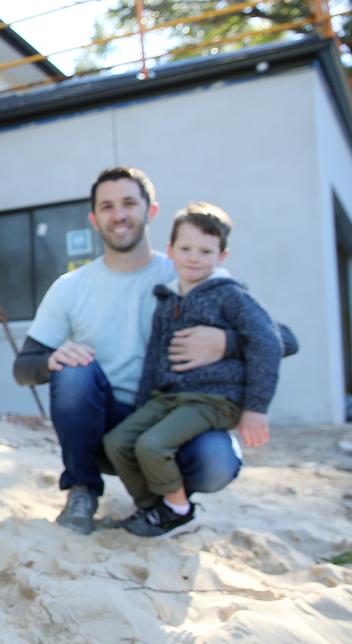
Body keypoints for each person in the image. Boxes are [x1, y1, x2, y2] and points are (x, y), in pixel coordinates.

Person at [12, 167, 297, 535]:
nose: (119, 215)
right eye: (107, 206)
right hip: (103, 422)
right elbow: (23, 368)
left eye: (129, 203)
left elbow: (281, 337)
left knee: (216, 462)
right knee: (73, 371)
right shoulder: (71, 287)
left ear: (151, 212)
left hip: (174, 413)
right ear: (94, 219)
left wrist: (224, 342)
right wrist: (50, 361)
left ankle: (167, 505)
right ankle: (82, 490)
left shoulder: (189, 270)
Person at [103, 202, 281, 536]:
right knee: (118, 441)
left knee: (152, 445)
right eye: (186, 248)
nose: (194, 257)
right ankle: (154, 508)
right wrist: (144, 408)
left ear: (221, 256)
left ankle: (180, 511)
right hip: (169, 397)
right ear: (170, 251)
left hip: (213, 397)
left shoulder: (229, 295)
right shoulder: (167, 300)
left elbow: (269, 340)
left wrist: (256, 408)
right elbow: (154, 359)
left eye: (205, 250)